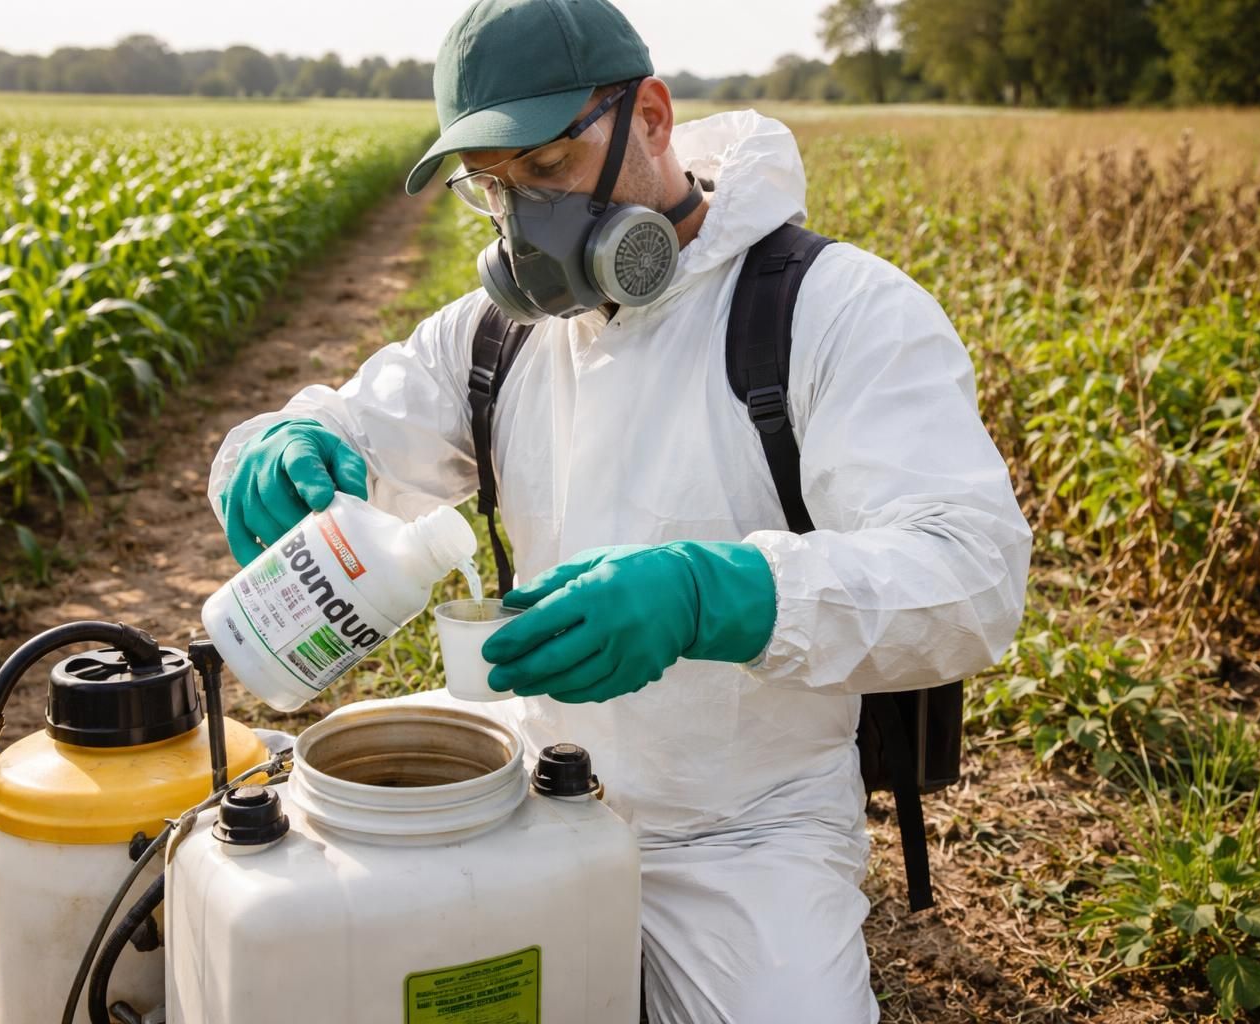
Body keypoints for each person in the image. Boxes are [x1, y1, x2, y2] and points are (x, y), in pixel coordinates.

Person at [208, 0, 1032, 1019]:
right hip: (526, 781)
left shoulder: (834, 311)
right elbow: (344, 430)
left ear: (651, 115)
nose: (522, 221)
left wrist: (713, 593)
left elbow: (974, 575)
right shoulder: (494, 338)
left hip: (739, 827)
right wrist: (272, 452)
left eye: (548, 167)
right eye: (491, 187)